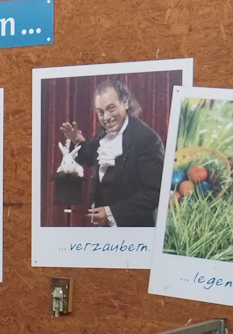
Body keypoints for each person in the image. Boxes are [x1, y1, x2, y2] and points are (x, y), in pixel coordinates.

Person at [56, 79, 164, 227]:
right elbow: (90, 155)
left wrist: (111, 213)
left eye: (111, 108)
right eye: (100, 112)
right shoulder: (103, 133)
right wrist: (76, 140)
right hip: (105, 231)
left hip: (135, 231)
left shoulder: (147, 139)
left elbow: (154, 193)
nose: (106, 118)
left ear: (125, 103)